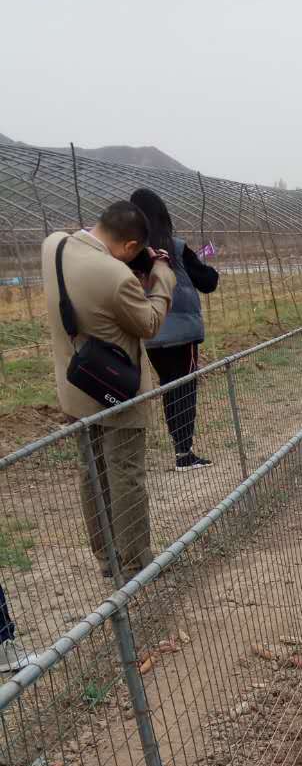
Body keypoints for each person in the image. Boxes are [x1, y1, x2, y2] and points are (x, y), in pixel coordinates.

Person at [42, 201, 175, 582]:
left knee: (92, 471)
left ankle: (106, 555)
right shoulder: (116, 276)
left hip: (75, 386)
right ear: (131, 245)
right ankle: (135, 561)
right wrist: (162, 275)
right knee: (126, 472)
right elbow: (149, 323)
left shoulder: (53, 245)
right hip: (116, 389)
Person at [131, 188, 219, 470]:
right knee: (185, 388)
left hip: (153, 333)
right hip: (182, 334)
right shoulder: (176, 248)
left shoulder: (132, 254)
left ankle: (180, 448)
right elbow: (208, 281)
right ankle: (184, 453)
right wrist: (208, 271)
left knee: (169, 386)